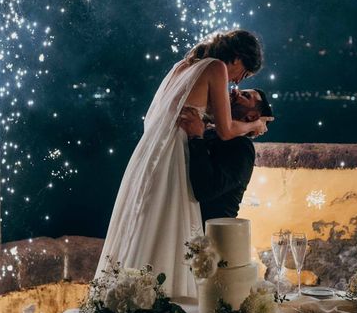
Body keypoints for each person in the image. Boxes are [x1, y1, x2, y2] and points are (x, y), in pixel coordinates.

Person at [96, 30, 274, 299]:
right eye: (245, 73)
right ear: (236, 58)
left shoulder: (185, 65)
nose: (238, 81)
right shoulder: (216, 68)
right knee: (168, 221)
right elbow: (225, 131)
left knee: (148, 217)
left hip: (154, 149)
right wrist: (255, 124)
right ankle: (161, 296)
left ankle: (133, 290)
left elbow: (163, 116)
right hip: (177, 150)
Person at [179, 88, 273, 223]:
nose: (235, 92)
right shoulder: (210, 131)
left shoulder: (242, 147)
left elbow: (206, 190)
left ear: (252, 116)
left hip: (207, 237)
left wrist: (196, 138)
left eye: (245, 95)